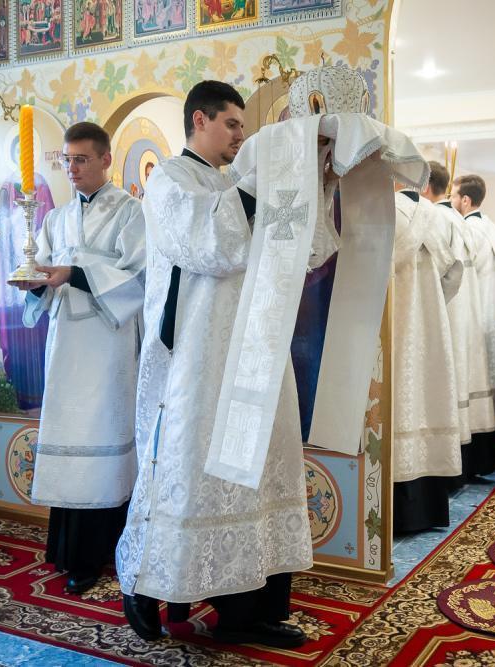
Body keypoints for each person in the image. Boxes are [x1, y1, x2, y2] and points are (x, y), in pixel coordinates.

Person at [116, 81, 335, 648]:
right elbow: (210, 243)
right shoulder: (171, 179)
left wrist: (314, 176)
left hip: (255, 351)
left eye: (243, 127)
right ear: (200, 120)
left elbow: (299, 245)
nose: (240, 135)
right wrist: (268, 174)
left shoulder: (229, 182)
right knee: (189, 472)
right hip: (198, 361)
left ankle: (247, 612)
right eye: (232, 124)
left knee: (256, 472)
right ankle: (145, 586)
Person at [13, 121, 146, 596]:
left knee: (102, 436)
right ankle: (67, 550)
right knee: (69, 434)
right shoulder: (56, 218)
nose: (72, 169)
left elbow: (141, 278)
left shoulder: (132, 212)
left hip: (108, 345)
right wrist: (36, 283)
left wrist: (76, 273)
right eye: (67, 160)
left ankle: (98, 553)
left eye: (82, 159)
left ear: (106, 159)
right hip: (66, 342)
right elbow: (44, 272)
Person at [392, 161, 463, 533]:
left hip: (392, 323)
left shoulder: (382, 210)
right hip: (429, 325)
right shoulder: (440, 217)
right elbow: (455, 273)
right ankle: (429, 506)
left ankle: (396, 510)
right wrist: (432, 303)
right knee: (427, 396)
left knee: (399, 401)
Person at [449, 174, 495, 476]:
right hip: (494, 311)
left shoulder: (467, 229)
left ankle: (475, 454)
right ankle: (491, 449)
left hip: (475, 312)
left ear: (465, 200)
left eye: (454, 196)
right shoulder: (491, 226)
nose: (451, 201)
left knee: (474, 381)